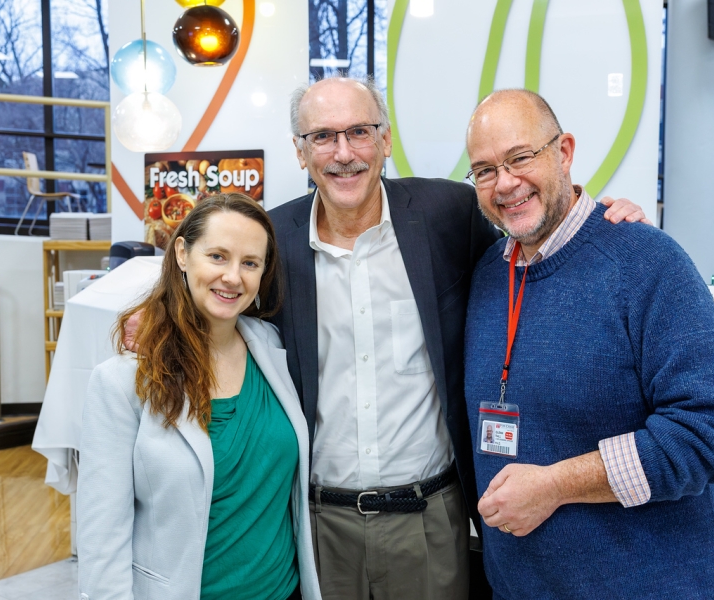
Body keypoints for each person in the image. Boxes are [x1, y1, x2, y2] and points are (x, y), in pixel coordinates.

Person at [265, 76, 650, 599]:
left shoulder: (448, 213)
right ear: (300, 150)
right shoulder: (271, 240)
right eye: (323, 137)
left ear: (385, 140)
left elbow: (536, 239)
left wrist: (599, 221)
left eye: (359, 131)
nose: (343, 153)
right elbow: (210, 292)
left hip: (428, 519)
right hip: (315, 524)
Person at [462, 89, 714, 599]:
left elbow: (713, 433)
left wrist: (555, 485)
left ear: (565, 152)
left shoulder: (645, 261)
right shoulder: (489, 274)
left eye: (520, 157)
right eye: (485, 170)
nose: (505, 183)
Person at [77, 194, 322, 600]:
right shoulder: (123, 382)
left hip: (283, 592)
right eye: (218, 256)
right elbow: (103, 537)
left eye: (250, 263)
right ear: (182, 254)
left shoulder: (272, 348)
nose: (232, 277)